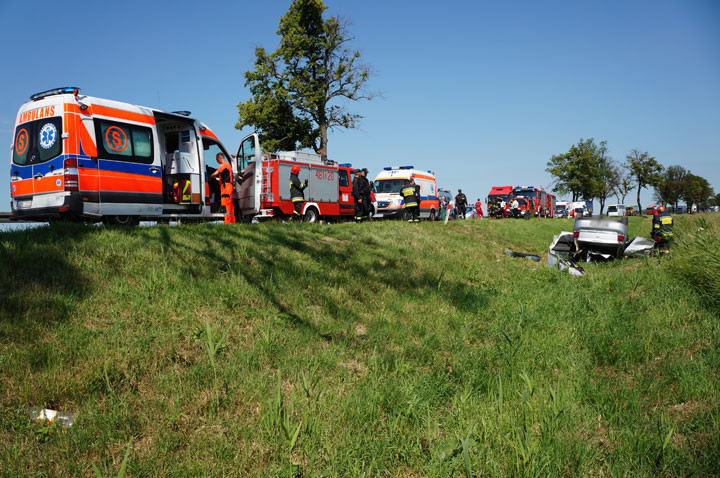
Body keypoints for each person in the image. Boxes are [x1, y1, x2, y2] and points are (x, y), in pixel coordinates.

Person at [210, 153, 235, 224]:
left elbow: (216, 173)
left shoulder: (224, 165)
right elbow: (221, 178)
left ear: (219, 158)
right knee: (230, 203)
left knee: (226, 203)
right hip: (227, 186)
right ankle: (232, 220)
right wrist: (216, 179)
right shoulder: (227, 165)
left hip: (226, 187)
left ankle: (227, 221)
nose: (216, 161)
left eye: (216, 160)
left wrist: (210, 177)